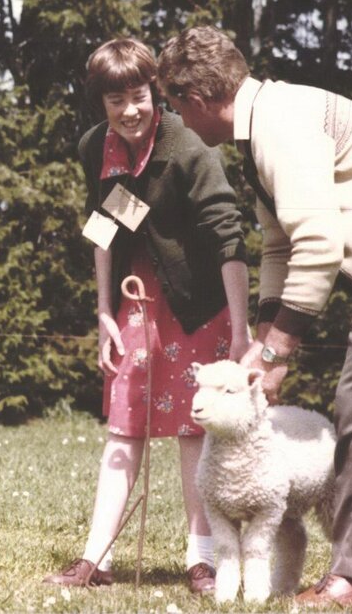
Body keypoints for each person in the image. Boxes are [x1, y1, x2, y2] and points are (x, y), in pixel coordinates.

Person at [156, 26, 352, 608]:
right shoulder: (263, 125)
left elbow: (320, 245)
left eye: (173, 104)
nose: (175, 117)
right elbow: (280, 245)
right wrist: (260, 341)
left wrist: (279, 353)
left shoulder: (278, 127)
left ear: (198, 100)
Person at [43, 38, 251, 594]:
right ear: (101, 104)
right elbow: (104, 228)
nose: (131, 110)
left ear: (153, 92)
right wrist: (104, 312)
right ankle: (96, 559)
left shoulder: (187, 146)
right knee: (123, 424)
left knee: (193, 429)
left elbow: (229, 238)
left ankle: (201, 559)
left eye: (139, 96)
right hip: (137, 301)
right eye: (117, 101)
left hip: (200, 305)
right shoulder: (95, 148)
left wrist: (241, 329)